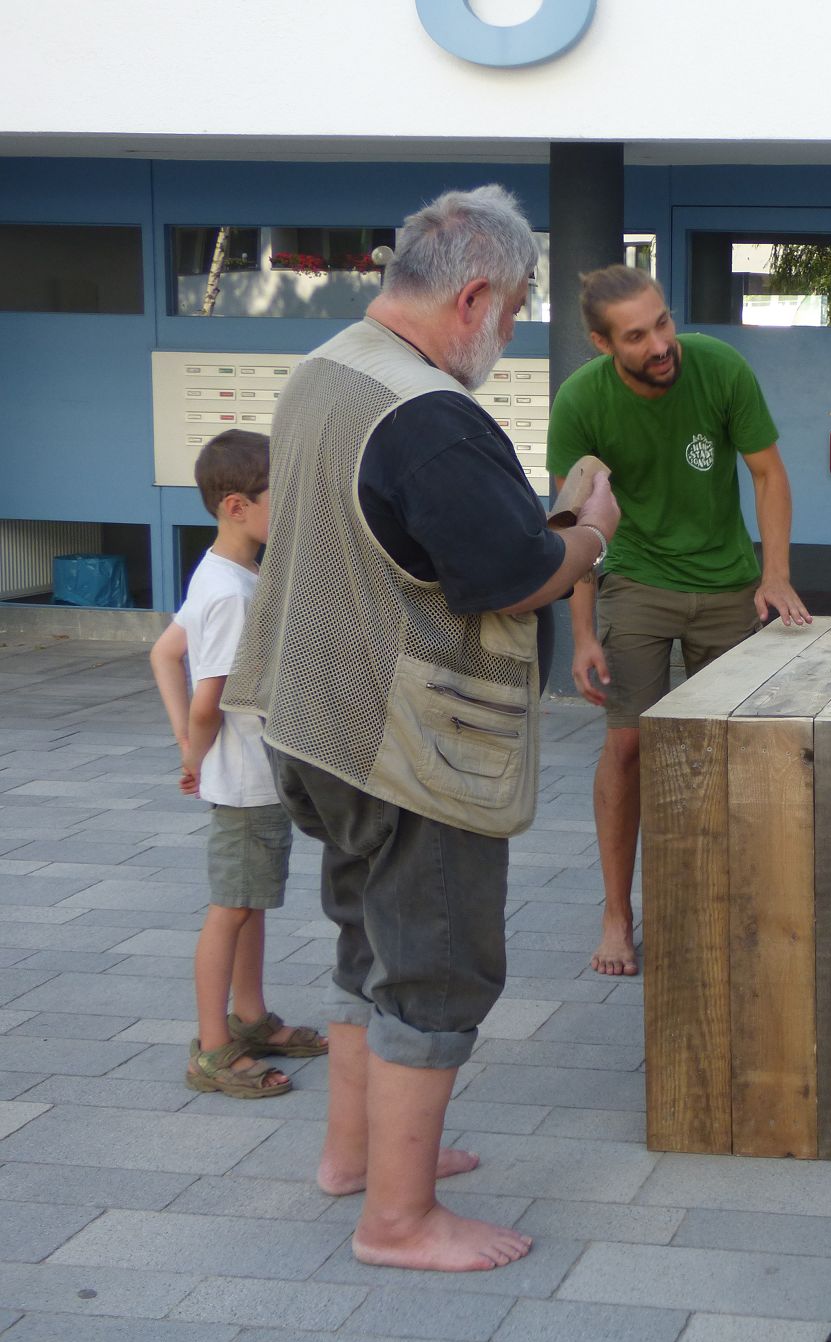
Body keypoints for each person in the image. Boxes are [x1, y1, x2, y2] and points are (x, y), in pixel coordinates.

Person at [224, 185, 619, 1271]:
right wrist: (590, 529)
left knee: (371, 943)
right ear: (474, 295)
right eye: (518, 307)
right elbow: (513, 574)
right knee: (435, 966)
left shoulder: (327, 366)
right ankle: (397, 1218)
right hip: (408, 745)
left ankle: (356, 1155)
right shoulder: (430, 415)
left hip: (314, 720)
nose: (512, 331)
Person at [548, 265, 810, 978]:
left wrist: (775, 573)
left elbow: (768, 473)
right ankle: (616, 913)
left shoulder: (719, 369)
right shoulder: (581, 402)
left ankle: (730, 906)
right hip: (636, 579)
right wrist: (581, 635)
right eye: (637, 336)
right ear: (604, 344)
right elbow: (573, 521)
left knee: (729, 749)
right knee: (628, 744)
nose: (661, 344)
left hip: (727, 584)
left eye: (662, 322)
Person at [149, 429, 326, 1100]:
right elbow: (208, 699)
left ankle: (250, 1018)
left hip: (255, 775)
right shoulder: (231, 594)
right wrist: (192, 752)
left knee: (250, 903)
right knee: (231, 909)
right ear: (236, 506)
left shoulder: (226, 574)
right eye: (285, 496)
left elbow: (164, 652)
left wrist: (187, 745)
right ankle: (212, 1049)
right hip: (247, 780)